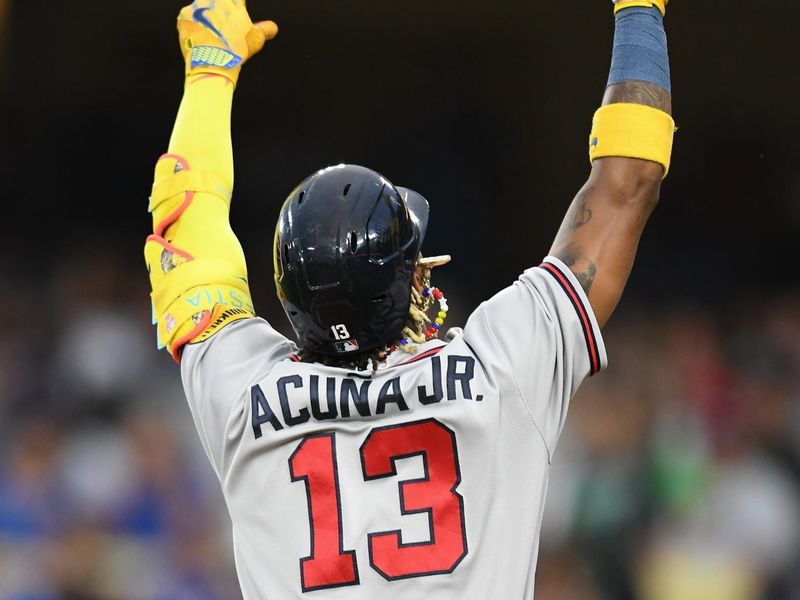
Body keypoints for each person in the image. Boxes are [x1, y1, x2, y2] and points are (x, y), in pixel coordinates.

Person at [144, 0, 675, 597]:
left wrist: (209, 72)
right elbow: (629, 182)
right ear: (412, 282)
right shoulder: (501, 369)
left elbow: (184, 218)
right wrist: (639, 14)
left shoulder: (239, 395)